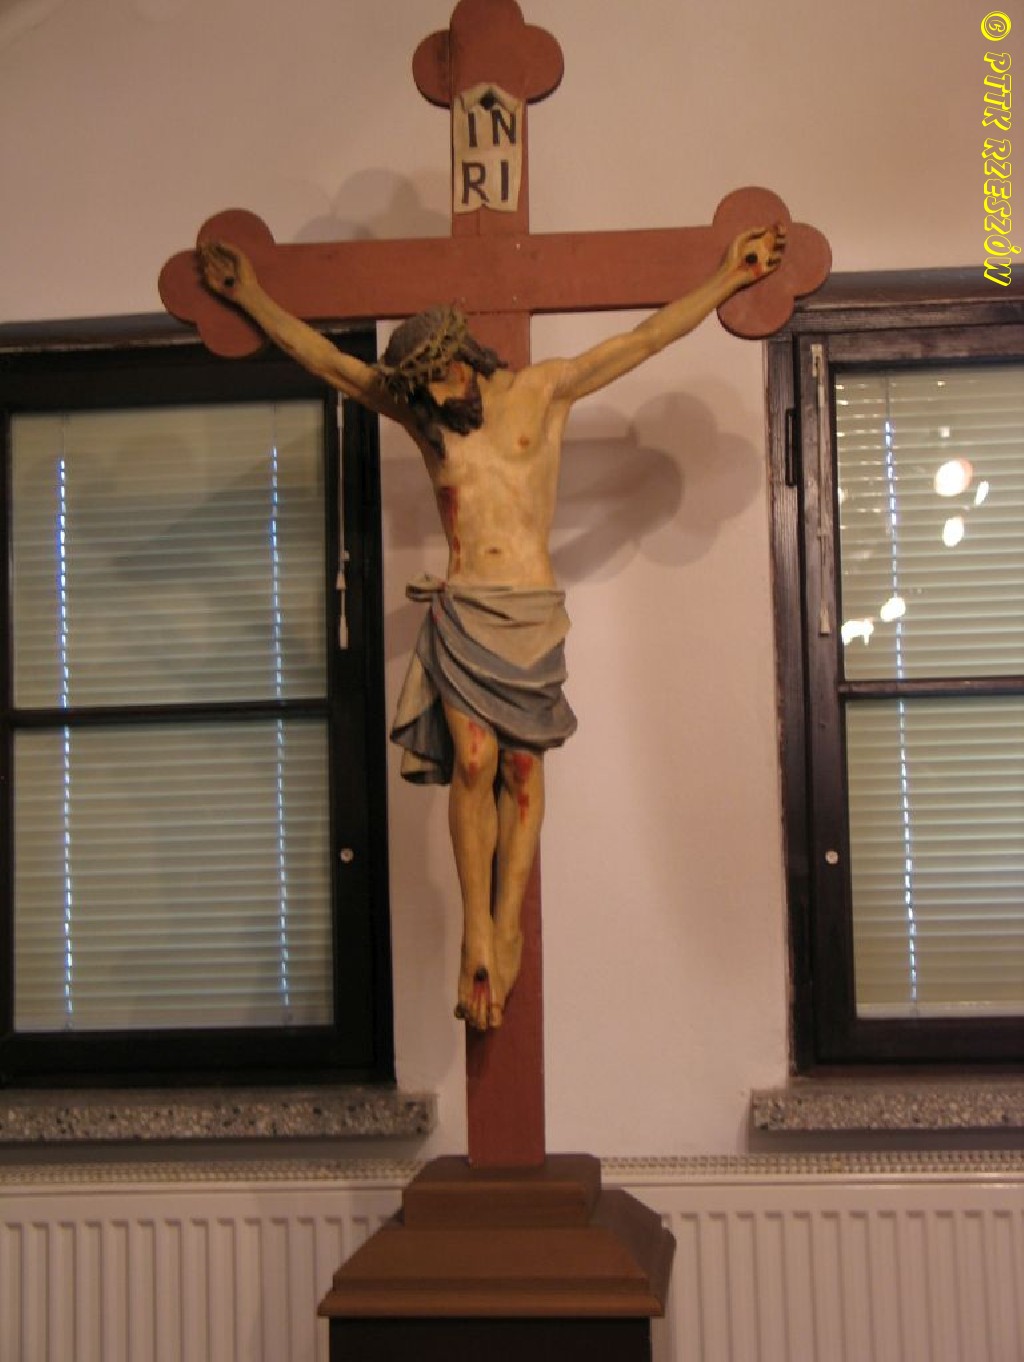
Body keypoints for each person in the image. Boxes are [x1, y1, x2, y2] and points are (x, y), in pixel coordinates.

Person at [198, 224, 786, 1031]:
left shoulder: (545, 391)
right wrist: (253, 297)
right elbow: (332, 364)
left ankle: (508, 920)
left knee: (521, 774)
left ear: (460, 358)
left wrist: (727, 278)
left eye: (434, 381)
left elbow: (645, 338)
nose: (430, 400)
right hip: (466, 609)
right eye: (417, 391)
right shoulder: (423, 418)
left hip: (532, 613)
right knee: (473, 764)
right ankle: (476, 927)